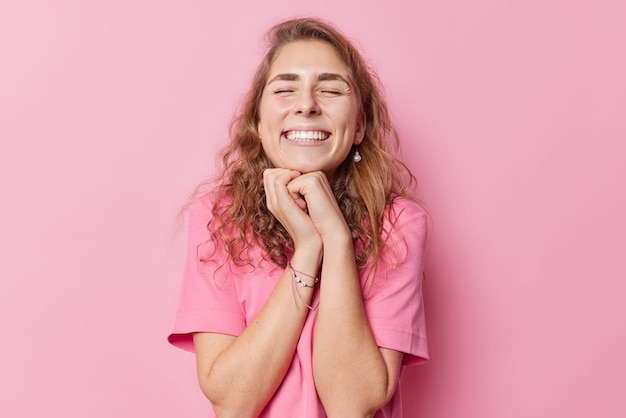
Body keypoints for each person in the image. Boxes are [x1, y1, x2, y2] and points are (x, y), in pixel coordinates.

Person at [168, 17, 428, 418]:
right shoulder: (217, 217)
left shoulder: (399, 224)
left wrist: (335, 239)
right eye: (285, 88)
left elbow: (352, 404)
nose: (306, 104)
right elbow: (232, 404)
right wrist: (307, 248)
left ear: (359, 125)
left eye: (330, 89)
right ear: (258, 121)